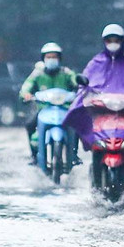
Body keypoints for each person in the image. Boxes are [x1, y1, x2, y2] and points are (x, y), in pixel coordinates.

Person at [20, 42, 80, 173]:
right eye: (49, 57)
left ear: (59, 58)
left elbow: (76, 82)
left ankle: (74, 154)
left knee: (77, 125)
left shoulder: (66, 73)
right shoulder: (37, 74)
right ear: (43, 59)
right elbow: (26, 87)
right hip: (43, 109)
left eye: (54, 57)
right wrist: (26, 95)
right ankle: (34, 155)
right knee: (30, 124)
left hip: (64, 109)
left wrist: (80, 89)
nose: (51, 59)